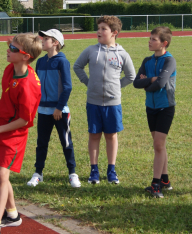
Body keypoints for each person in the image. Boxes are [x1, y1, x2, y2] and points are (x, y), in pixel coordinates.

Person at [0, 33, 42, 234]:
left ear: (26, 57)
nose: (8, 49)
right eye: (9, 45)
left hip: (14, 132)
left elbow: (24, 120)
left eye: (13, 49)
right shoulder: (9, 70)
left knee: (3, 175)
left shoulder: (28, 86)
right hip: (1, 124)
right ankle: (13, 214)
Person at [73, 15, 135, 184]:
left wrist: (116, 87)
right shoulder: (91, 51)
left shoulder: (122, 54)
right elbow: (77, 66)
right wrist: (88, 82)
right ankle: (94, 170)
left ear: (114, 32)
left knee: (111, 135)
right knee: (94, 135)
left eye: (103, 29)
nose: (98, 31)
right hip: (93, 102)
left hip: (112, 103)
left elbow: (131, 76)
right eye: (98, 28)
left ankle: (111, 170)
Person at [27, 29, 81, 188]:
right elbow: (36, 86)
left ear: (55, 43)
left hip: (59, 112)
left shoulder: (62, 61)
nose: (42, 41)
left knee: (66, 143)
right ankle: (38, 173)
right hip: (43, 110)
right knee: (41, 143)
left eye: (46, 39)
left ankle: (72, 173)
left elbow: (67, 87)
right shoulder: (41, 61)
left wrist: (59, 108)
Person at [133, 27, 176, 198]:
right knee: (159, 145)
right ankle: (165, 180)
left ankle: (155, 185)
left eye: (154, 39)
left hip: (165, 106)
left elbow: (161, 84)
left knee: (158, 145)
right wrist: (151, 80)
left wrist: (148, 85)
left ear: (164, 43)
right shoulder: (146, 61)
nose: (149, 42)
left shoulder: (169, 60)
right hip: (150, 107)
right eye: (150, 38)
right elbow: (136, 83)